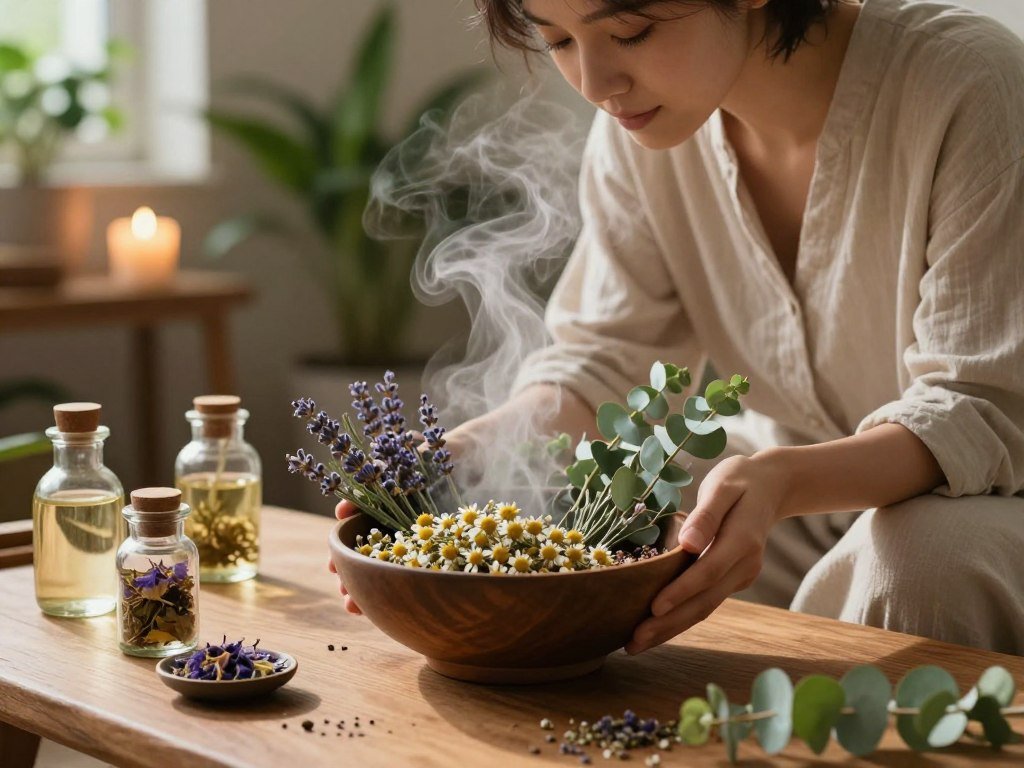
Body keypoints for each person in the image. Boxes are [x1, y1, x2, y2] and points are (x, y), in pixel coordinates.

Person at [333, 0, 1024, 655]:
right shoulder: (641, 134)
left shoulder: (971, 85)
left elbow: (983, 408)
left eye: (630, 31)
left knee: (920, 557)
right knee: (607, 497)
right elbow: (604, 365)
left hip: (989, 505)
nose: (597, 84)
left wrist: (782, 481)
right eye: (560, 41)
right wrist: (472, 451)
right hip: (798, 494)